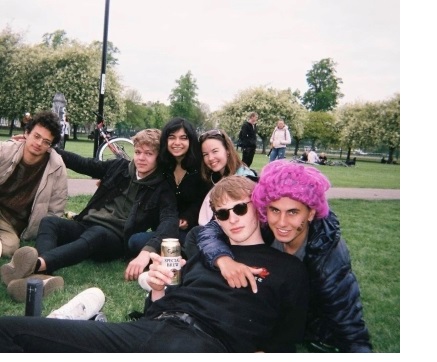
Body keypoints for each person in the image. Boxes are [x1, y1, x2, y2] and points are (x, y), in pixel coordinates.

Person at [0, 175, 309, 353]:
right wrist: (158, 288)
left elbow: (285, 343)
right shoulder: (203, 253)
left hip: (204, 344)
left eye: (240, 208)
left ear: (257, 208)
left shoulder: (288, 269)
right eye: (223, 213)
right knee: (8, 332)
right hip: (148, 330)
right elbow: (156, 308)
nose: (233, 219)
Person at [195, 161, 372, 353]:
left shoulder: (327, 258)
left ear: (311, 213)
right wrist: (223, 260)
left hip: (310, 328)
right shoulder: (264, 224)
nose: (281, 223)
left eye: (293, 212)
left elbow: (350, 324)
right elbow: (209, 230)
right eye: (275, 210)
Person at [1, 129, 179, 291]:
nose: (141, 158)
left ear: (159, 157)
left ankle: (37, 264)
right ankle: (44, 277)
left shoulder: (162, 186)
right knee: (49, 222)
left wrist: (146, 251)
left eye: (149, 154)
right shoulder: (119, 167)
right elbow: (83, 164)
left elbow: (169, 221)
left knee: (97, 233)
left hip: (114, 239)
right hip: (86, 224)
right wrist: (48, 147)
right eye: (138, 152)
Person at [127, 117, 209, 257]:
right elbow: (138, 169)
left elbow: (202, 200)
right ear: (166, 140)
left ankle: (184, 252)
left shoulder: (199, 167)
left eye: (183, 138)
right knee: (135, 242)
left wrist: (187, 218)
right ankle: (179, 252)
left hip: (191, 229)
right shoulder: (162, 165)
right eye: (172, 137)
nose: (177, 143)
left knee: (193, 242)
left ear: (190, 140)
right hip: (164, 229)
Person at [0, 110, 68, 258]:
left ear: (50, 146)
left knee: (10, 248)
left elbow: (55, 210)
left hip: (11, 224)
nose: (39, 144)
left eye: (46, 142)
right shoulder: (5, 150)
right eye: (37, 136)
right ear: (27, 133)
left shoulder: (56, 167)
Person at [197, 129, 257, 226]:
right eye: (205, 154)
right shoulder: (212, 178)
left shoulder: (244, 179)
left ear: (227, 151)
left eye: (215, 151)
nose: (210, 158)